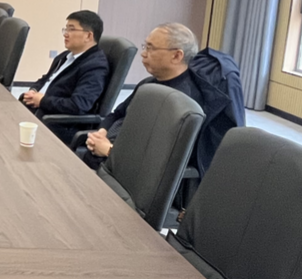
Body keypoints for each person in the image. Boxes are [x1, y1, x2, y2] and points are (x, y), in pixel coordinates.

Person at [82, 23, 243, 176]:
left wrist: (109, 150)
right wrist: (101, 133)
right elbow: (117, 114)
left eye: (151, 48)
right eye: (145, 46)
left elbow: (158, 158)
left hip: (124, 175)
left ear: (177, 55)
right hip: (105, 157)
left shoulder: (182, 102)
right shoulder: (148, 83)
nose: (143, 53)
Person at [19, 10, 109, 143]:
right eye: (66, 29)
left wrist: (42, 101)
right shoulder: (65, 56)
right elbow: (46, 79)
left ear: (88, 36)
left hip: (58, 124)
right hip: (39, 111)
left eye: (71, 29)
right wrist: (34, 91)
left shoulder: (95, 66)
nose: (66, 34)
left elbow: (78, 105)